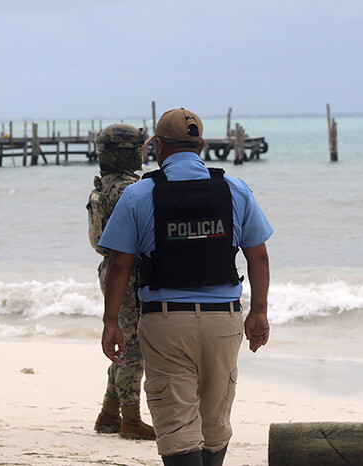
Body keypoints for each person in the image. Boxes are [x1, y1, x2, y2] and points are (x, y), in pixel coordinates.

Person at [99, 108, 272, 466]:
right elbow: (259, 258)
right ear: (201, 145)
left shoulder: (139, 194)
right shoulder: (234, 189)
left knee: (177, 423)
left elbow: (119, 264)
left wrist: (111, 321)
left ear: (159, 147)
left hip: (166, 323)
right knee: (215, 419)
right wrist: (259, 311)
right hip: (223, 323)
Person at [87, 124, 156, 440]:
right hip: (129, 271)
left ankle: (109, 413)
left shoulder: (104, 186)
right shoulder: (131, 189)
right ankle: (130, 419)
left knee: (123, 343)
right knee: (132, 347)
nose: (143, 152)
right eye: (139, 148)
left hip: (110, 268)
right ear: (129, 152)